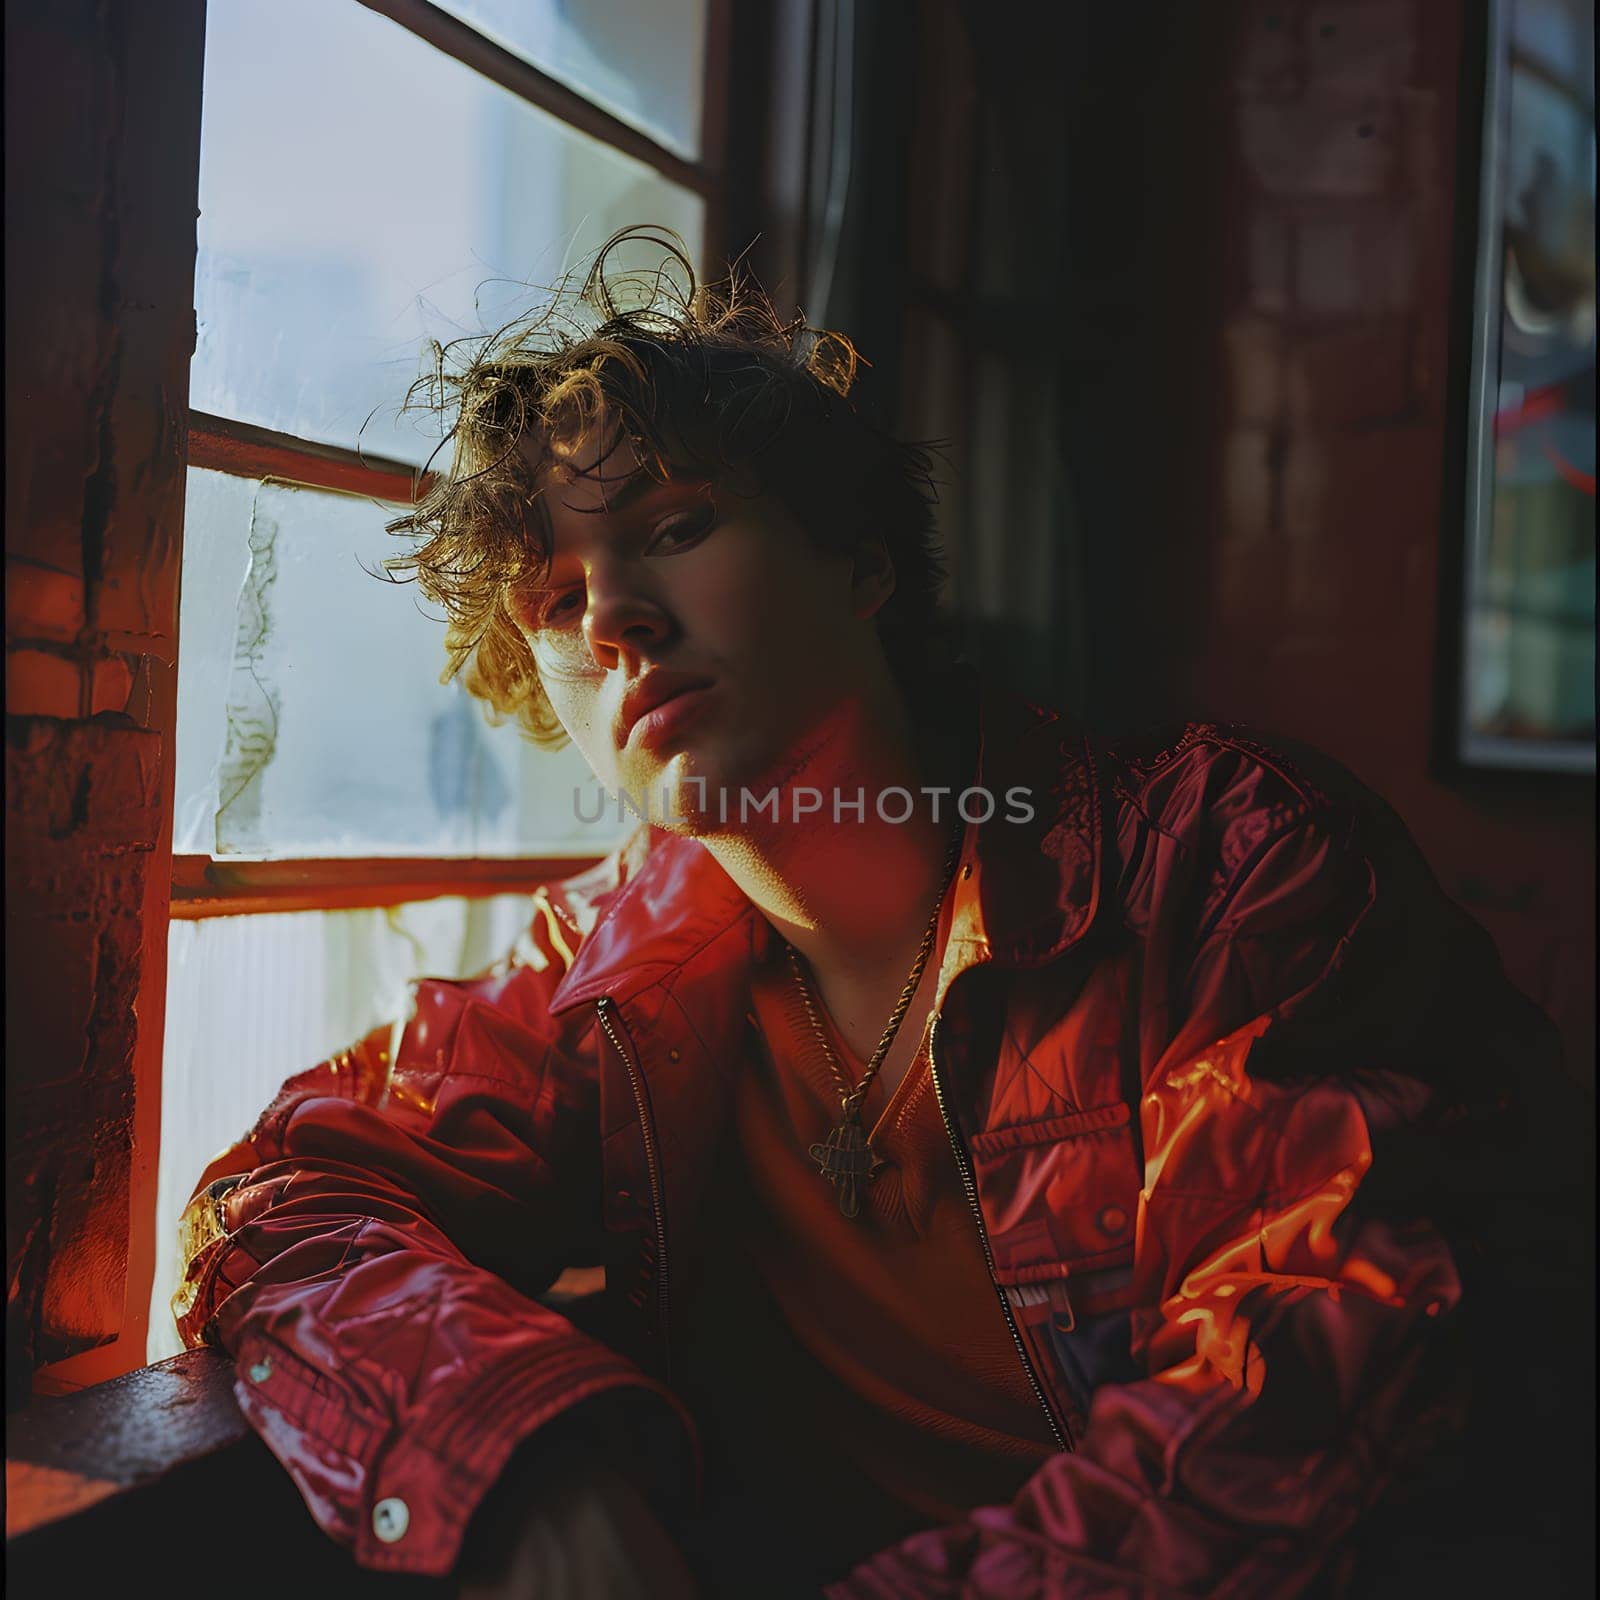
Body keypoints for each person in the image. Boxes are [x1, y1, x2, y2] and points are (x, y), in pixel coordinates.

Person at [172, 229, 1563, 1598]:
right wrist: (526, 1472)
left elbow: (1293, 1408)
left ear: (863, 563)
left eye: (674, 527)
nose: (611, 621)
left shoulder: (1228, 864)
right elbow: (275, 1199)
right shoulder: (605, 960)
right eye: (553, 597)